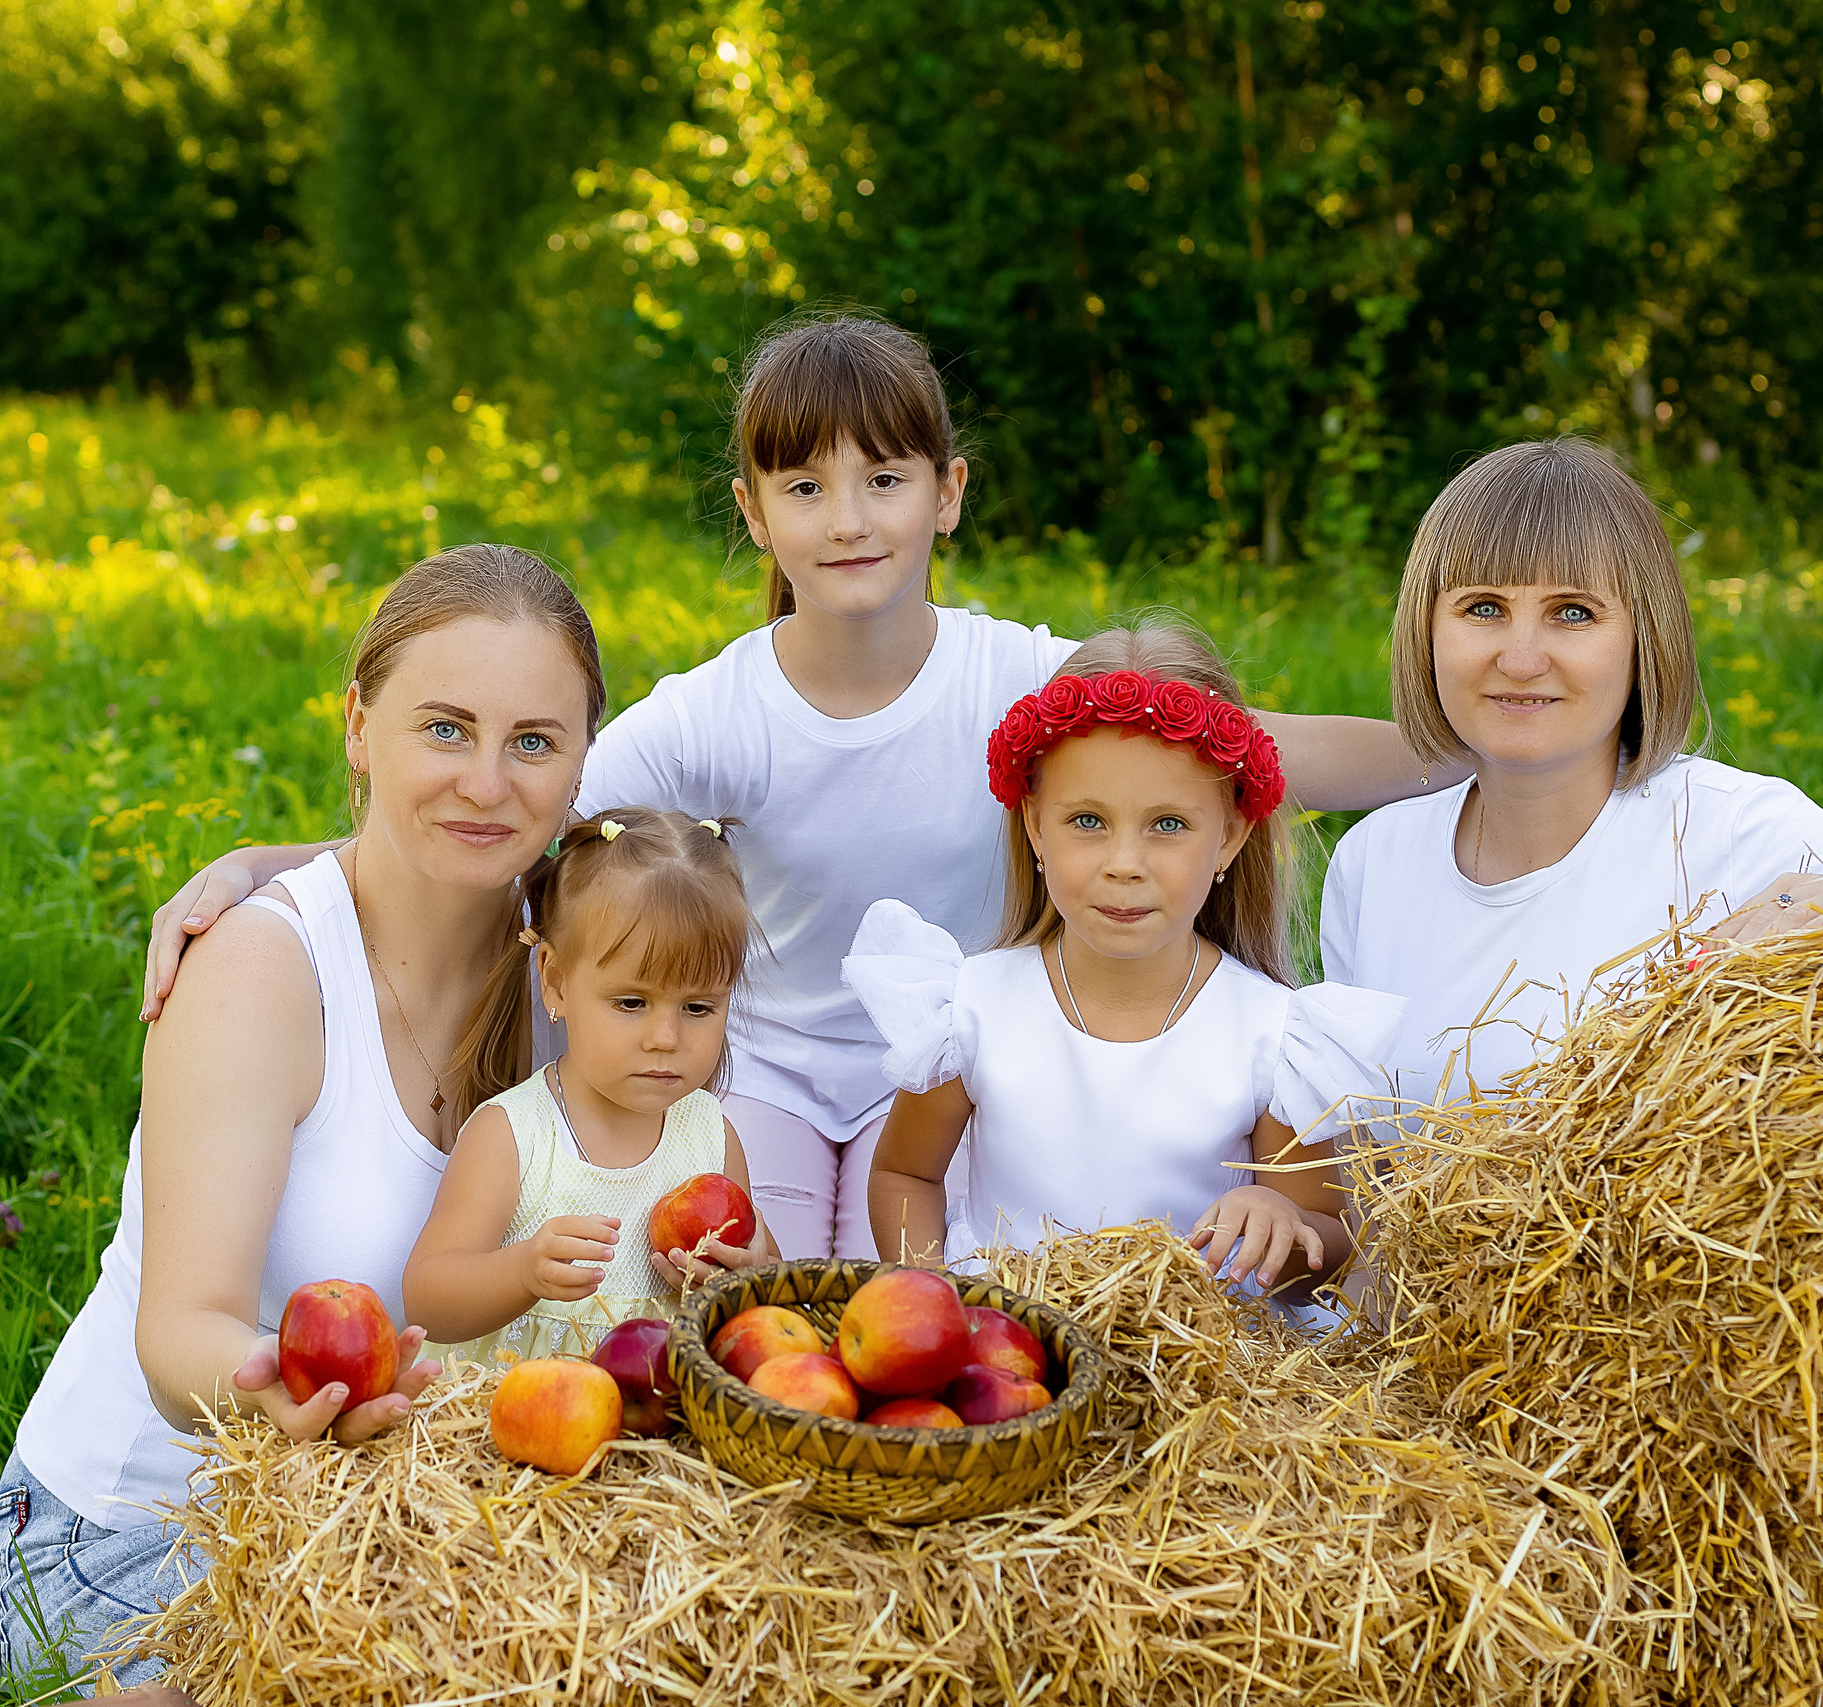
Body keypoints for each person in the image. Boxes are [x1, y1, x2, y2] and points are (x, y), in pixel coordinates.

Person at [135, 312, 1463, 1261]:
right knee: (750, 1282)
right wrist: (281, 863)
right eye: (806, 484)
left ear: (946, 495)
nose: (848, 517)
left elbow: (1251, 743)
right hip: (767, 1060)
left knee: (902, 1283)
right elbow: (519, 809)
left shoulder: (1013, 676)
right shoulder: (731, 705)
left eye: (885, 479)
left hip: (945, 1053)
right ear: (755, 511)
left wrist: (1472, 742)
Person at [0, 544, 605, 1691]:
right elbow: (179, 1337)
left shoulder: (580, 977)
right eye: (444, 729)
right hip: (145, 1526)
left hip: (410, 1522)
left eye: (532, 743)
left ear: (580, 765)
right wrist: (289, 1383)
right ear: (358, 725)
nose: (486, 782)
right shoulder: (264, 970)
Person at [1320, 437, 1823, 1107]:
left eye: (1574, 613)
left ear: (1643, 638)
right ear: (1425, 630)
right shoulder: (1372, 861)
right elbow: (1353, 1176)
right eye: (1484, 608)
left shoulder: (1741, 832)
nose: (1521, 657)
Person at [848, 625, 1407, 1295]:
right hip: (1020, 1355)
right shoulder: (970, 1007)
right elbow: (906, 1174)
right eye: (1087, 819)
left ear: (1229, 835)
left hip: (1199, 1369)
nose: (1124, 864)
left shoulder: (1272, 1039)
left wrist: (1281, 1217)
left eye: (1168, 824)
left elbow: (1326, 1244)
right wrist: (932, 1291)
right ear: (1034, 825)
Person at [404, 808, 778, 1359]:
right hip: (517, 1418)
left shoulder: (709, 1137)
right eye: (632, 1002)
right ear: (554, 981)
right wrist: (522, 1271)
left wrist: (746, 1276)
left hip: (658, 1423)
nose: (665, 1037)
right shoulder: (515, 1135)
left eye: (699, 1006)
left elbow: (769, 1281)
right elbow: (427, 1300)